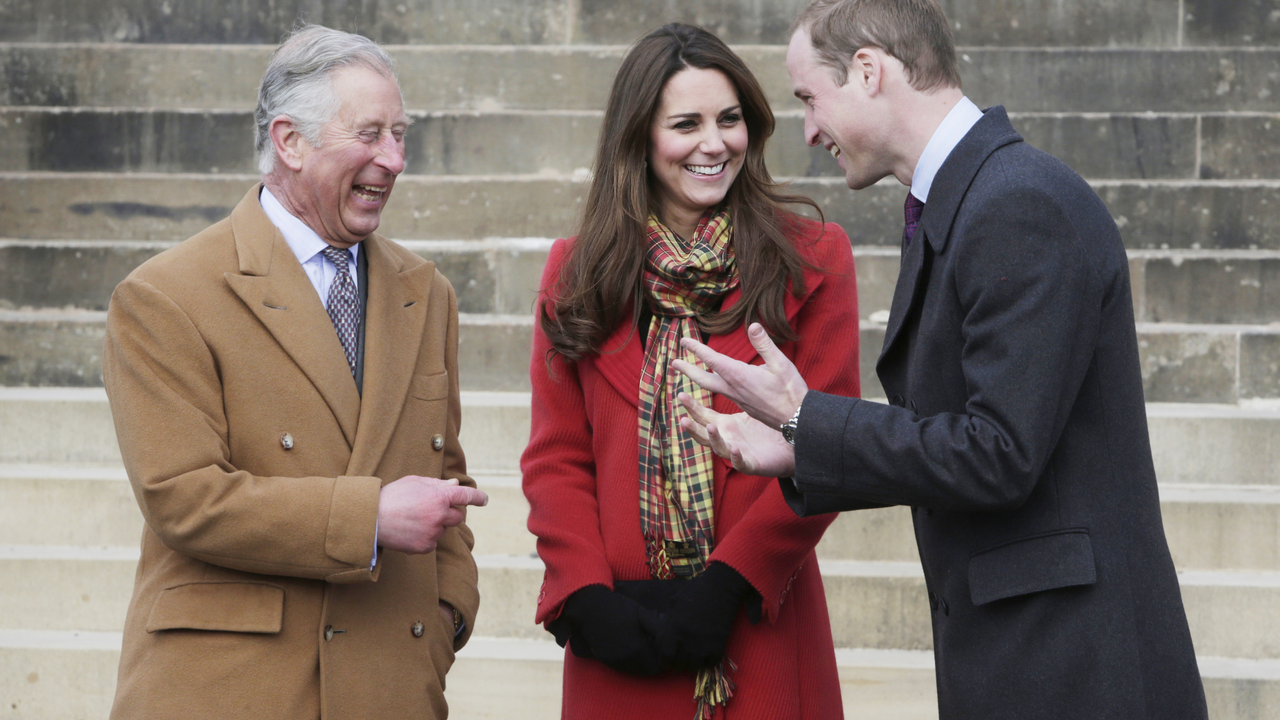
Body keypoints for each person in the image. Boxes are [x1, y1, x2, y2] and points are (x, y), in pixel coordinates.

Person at [673, 1, 1210, 718]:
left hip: (1073, 667)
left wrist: (808, 418)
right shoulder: (972, 199)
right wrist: (802, 447)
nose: (806, 129)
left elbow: (999, 453)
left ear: (868, 71)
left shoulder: (1018, 203)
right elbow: (959, 437)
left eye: (809, 98)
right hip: (1027, 655)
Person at [101, 25, 488, 720]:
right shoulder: (166, 294)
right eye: (370, 134)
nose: (395, 160)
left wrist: (448, 614)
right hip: (235, 690)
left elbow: (445, 478)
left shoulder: (427, 292)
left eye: (401, 135)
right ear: (290, 141)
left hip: (390, 685)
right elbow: (183, 497)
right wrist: (368, 516)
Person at [521, 22, 860, 720]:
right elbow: (557, 457)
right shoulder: (574, 273)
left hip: (758, 624)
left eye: (729, 119)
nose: (715, 143)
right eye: (687, 124)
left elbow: (831, 447)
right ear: (640, 137)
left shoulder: (816, 257)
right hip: (621, 636)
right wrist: (583, 595)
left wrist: (730, 583)